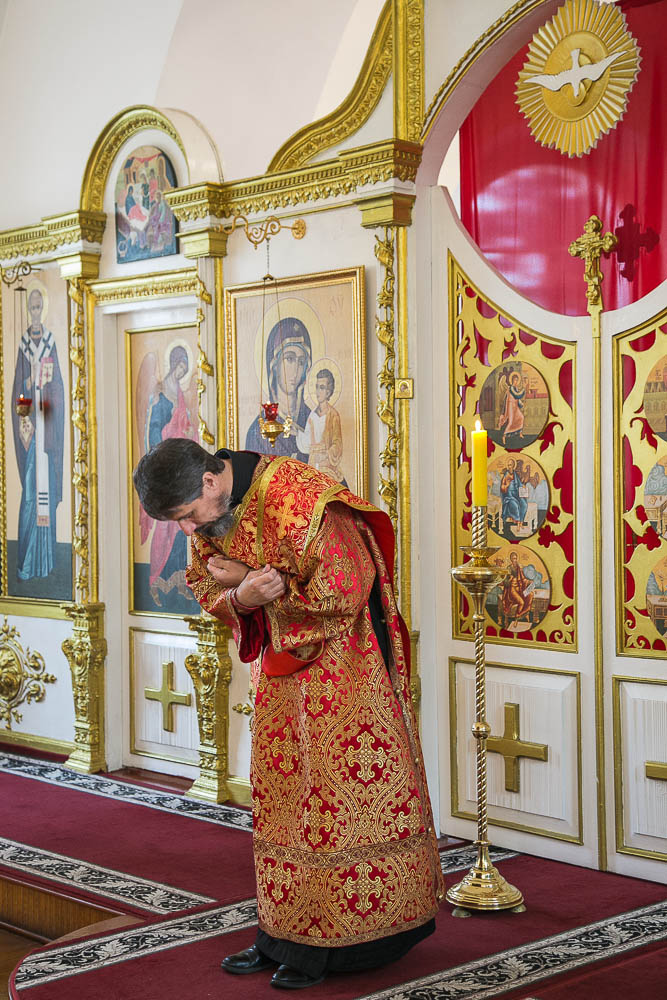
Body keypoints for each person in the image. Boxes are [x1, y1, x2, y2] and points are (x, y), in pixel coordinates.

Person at [133, 438, 444, 990]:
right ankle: (283, 934)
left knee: (339, 808)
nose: (186, 530)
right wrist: (243, 596)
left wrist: (248, 581)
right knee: (284, 804)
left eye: (185, 515)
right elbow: (204, 582)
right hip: (280, 681)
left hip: (345, 675)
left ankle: (348, 942)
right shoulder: (210, 517)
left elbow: (346, 589)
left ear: (209, 480)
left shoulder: (301, 497)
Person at [11, 286, 65, 581]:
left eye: (38, 307)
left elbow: (57, 388)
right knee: (31, 493)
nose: (34, 312)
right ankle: (27, 561)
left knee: (45, 489)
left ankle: (45, 564)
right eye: (31, 308)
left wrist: (46, 385)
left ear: (42, 310)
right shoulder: (23, 346)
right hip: (31, 431)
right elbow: (18, 392)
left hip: (47, 430)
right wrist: (29, 384)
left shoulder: (50, 343)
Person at [139, 346, 196, 605]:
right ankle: (156, 581)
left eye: (185, 368)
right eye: (179, 367)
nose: (181, 372)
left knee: (180, 530)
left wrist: (187, 433)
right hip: (164, 473)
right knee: (164, 529)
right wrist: (166, 448)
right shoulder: (160, 394)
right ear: (173, 365)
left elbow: (184, 426)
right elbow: (154, 432)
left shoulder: (180, 396)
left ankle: (178, 579)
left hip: (180, 473)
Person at [245, 317, 311, 461]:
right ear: (274, 365)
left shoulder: (312, 420)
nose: (296, 370)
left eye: (301, 362)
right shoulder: (257, 433)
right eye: (289, 359)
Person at [296, 367, 346, 483]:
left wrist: (326, 454)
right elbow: (307, 442)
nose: (318, 391)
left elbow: (337, 444)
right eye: (317, 387)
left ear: (328, 392)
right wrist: (297, 432)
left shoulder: (333, 415)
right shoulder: (312, 415)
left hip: (327, 465)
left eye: (322, 388)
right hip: (313, 463)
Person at [500, 550, 534, 627]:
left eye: (515, 558)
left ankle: (521, 614)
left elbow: (523, 579)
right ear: (511, 559)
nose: (514, 560)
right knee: (521, 602)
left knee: (530, 595)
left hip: (519, 588)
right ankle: (516, 618)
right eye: (513, 558)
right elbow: (505, 582)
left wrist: (529, 582)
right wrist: (510, 579)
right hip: (511, 589)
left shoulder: (519, 567)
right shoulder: (508, 568)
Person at [498, 371, 527, 445]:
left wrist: (521, 404)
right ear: (512, 381)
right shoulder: (511, 388)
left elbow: (517, 399)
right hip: (510, 406)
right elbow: (517, 395)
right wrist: (524, 389)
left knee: (521, 417)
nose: (516, 382)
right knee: (510, 422)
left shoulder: (516, 388)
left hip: (515, 406)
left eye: (517, 380)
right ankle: (504, 436)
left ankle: (520, 433)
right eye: (515, 380)